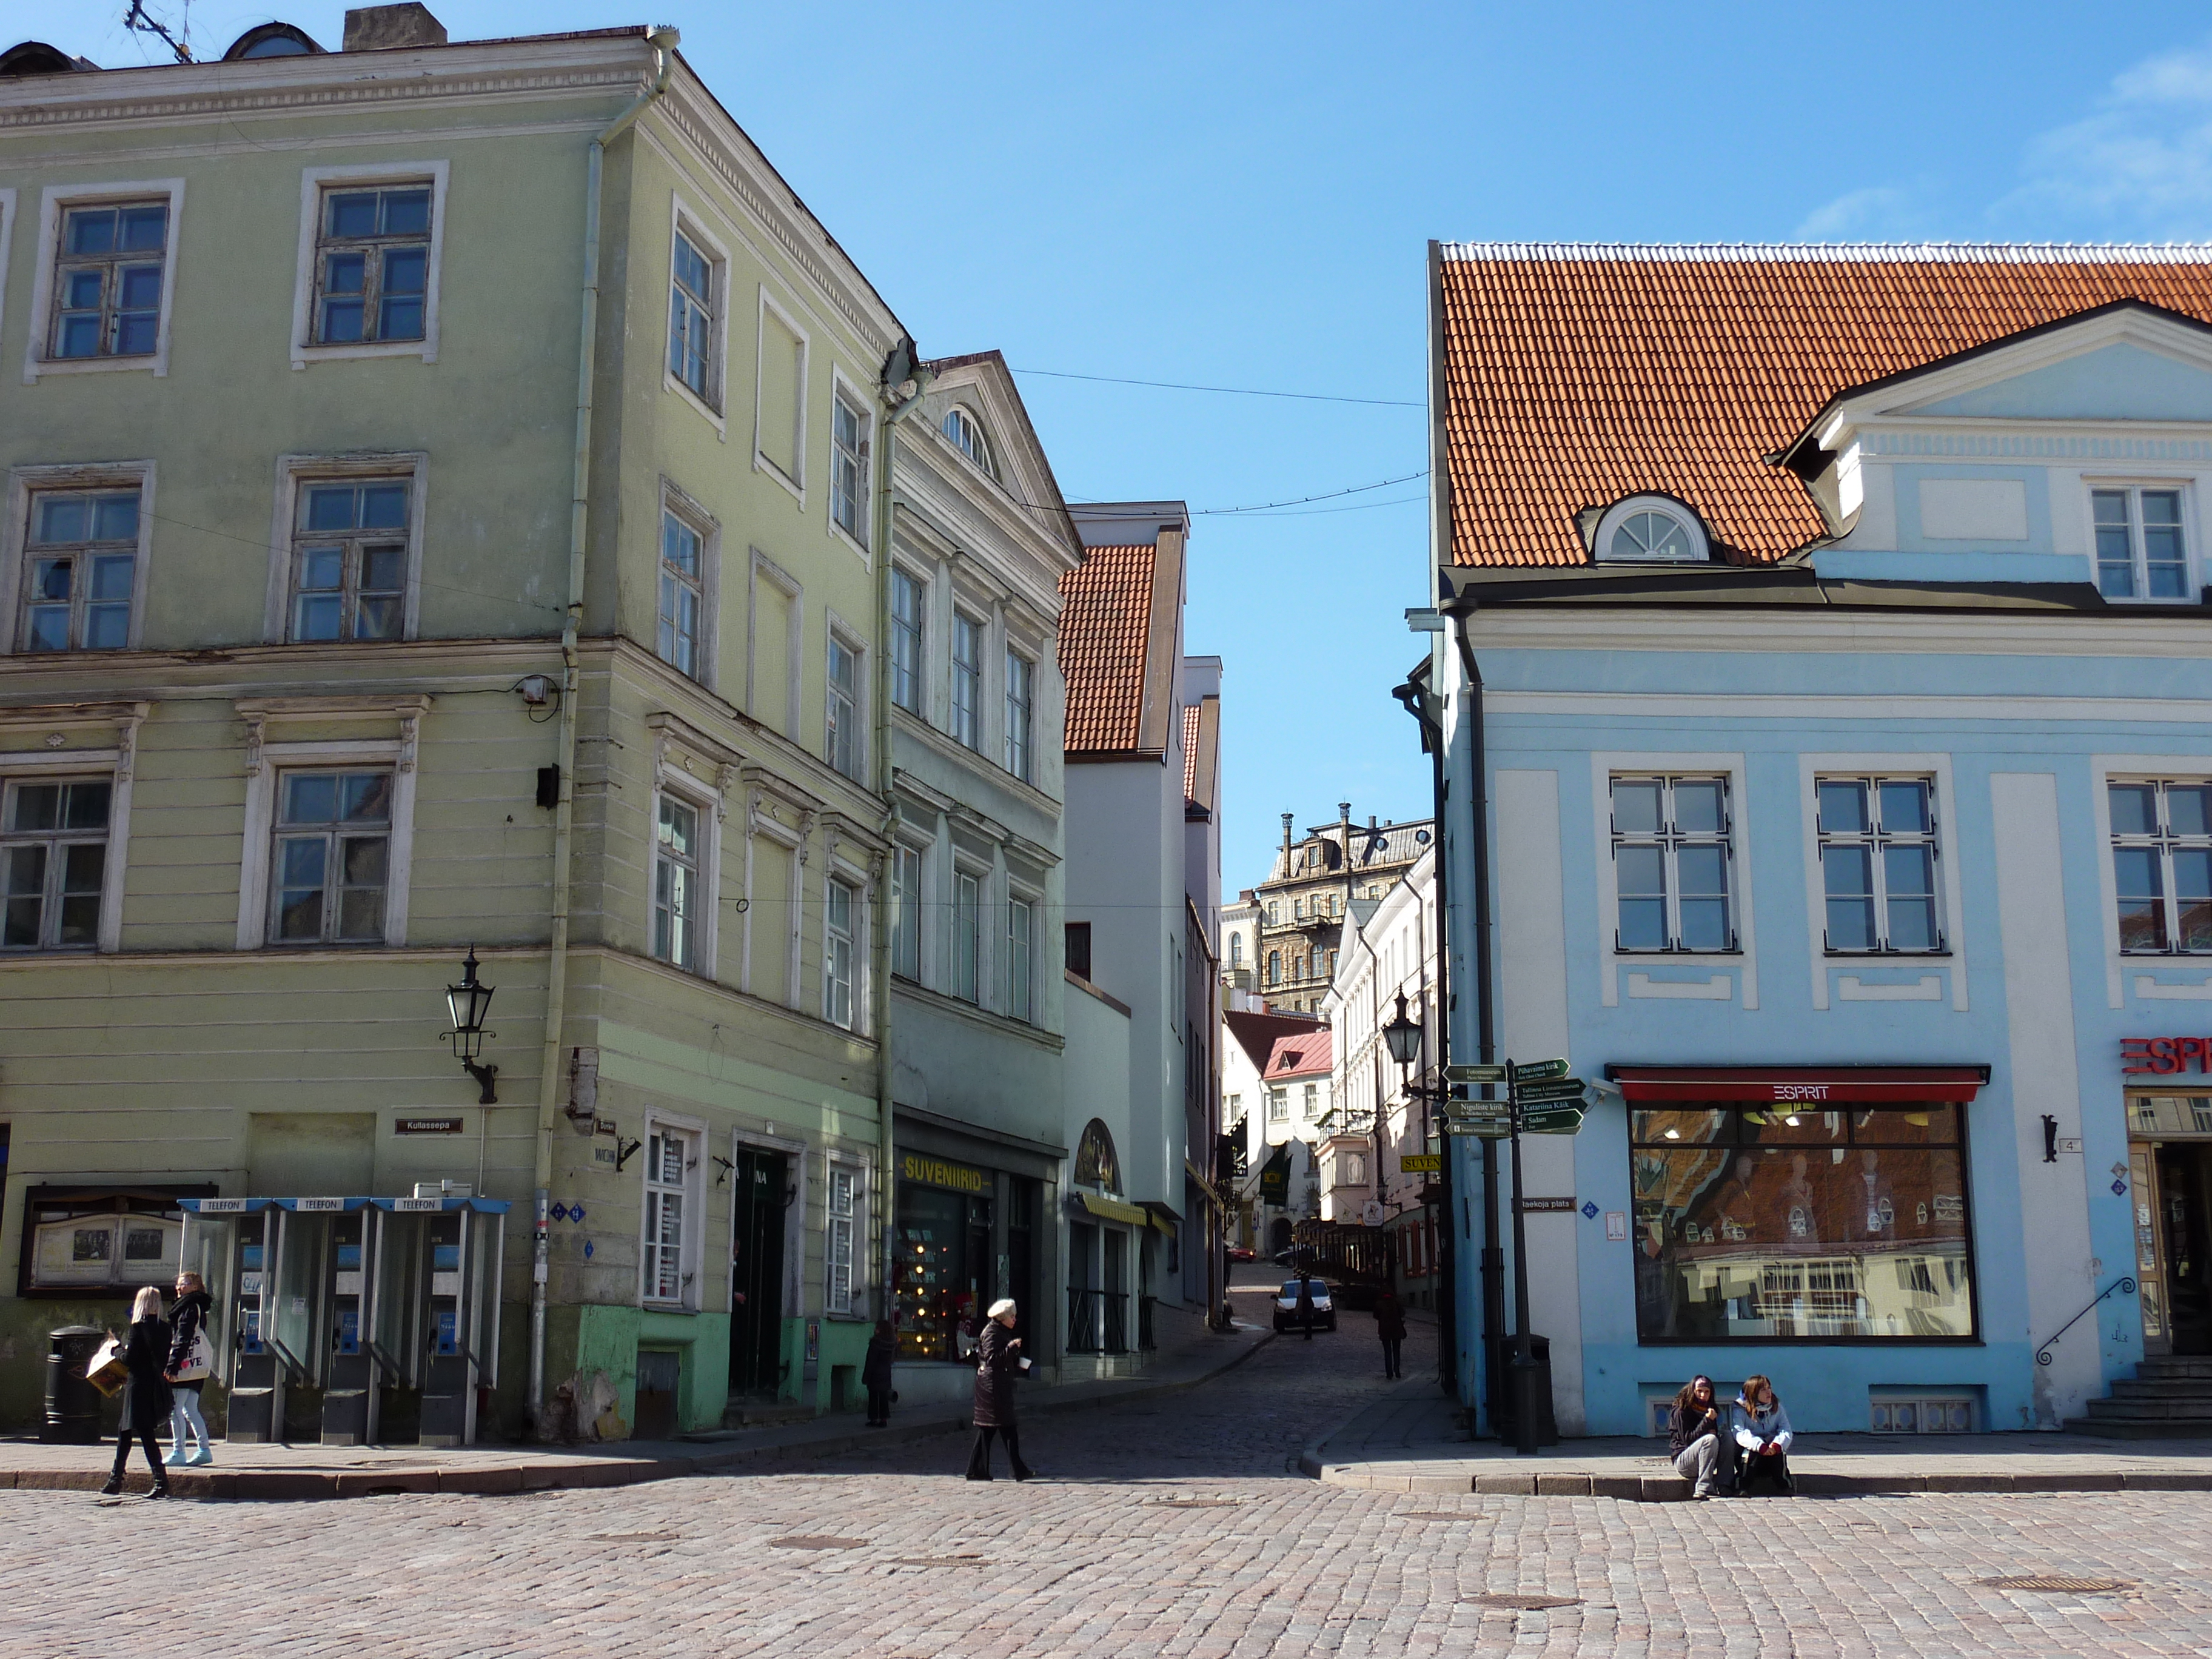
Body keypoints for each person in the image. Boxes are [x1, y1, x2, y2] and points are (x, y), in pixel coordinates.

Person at [101, 1285, 174, 1498]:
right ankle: (115, 1478)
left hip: (138, 1385)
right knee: (125, 1431)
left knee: (145, 1433)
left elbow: (130, 1359)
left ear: (139, 1304)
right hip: (155, 1384)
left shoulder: (138, 1328)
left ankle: (161, 1481)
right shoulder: (165, 1328)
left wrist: (115, 1350)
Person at [965, 1298, 1036, 1481]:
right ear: (1003, 1317)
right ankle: (1014, 1470)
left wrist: (1017, 1361)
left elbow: (1000, 1358)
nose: (1014, 1319)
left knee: (991, 1430)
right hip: (992, 1390)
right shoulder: (992, 1333)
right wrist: (1011, 1349)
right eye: (1012, 1316)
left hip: (997, 1387)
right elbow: (992, 1359)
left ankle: (979, 1470)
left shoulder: (1000, 1332)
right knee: (1003, 1429)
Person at [163, 1270, 215, 1467]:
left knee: (175, 1409)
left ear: (195, 1285)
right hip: (196, 1366)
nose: (179, 1287)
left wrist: (172, 1366)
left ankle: (179, 1452)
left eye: (183, 1283)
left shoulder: (188, 1308)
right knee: (190, 1409)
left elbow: (183, 1339)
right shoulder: (199, 1306)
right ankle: (204, 1449)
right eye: (178, 1284)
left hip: (185, 1366)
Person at [1732, 1373, 1795, 1495]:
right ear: (1753, 1393)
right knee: (1748, 1453)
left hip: (1770, 1453)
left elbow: (1785, 1430)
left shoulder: (1777, 1407)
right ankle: (1742, 1487)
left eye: (1769, 1388)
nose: (1768, 1392)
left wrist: (1776, 1445)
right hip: (1752, 1455)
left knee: (1780, 1453)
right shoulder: (1740, 1409)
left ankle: (1785, 1486)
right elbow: (1740, 1433)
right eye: (1763, 1390)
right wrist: (1759, 1446)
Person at [1668, 1373, 1726, 1499]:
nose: (1703, 1396)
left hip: (1706, 1456)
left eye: (1707, 1392)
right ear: (1693, 1391)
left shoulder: (1710, 1409)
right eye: (1699, 1391)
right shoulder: (1681, 1410)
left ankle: (1725, 1485)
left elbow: (1713, 1433)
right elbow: (1689, 1440)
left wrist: (1710, 1424)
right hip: (1684, 1461)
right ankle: (1703, 1488)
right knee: (1710, 1440)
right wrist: (1707, 1421)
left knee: (1727, 1437)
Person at [862, 1318, 897, 1428]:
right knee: (883, 1397)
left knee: (873, 1397)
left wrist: (866, 1377)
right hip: (885, 1373)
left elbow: (870, 1361)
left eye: (877, 1328)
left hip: (875, 1374)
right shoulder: (890, 1344)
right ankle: (884, 1419)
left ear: (880, 1330)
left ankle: (873, 1419)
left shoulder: (876, 1343)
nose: (875, 1330)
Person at [1373, 1288, 1407, 1379]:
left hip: (1385, 1331)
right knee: (1397, 1351)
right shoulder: (1396, 1302)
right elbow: (1403, 1313)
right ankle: (1397, 1370)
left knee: (1387, 1352)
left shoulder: (1379, 1304)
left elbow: (1375, 1316)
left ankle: (1389, 1373)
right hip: (1397, 1330)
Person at [1295, 1276, 1316, 1341]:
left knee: (1308, 1322)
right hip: (1308, 1306)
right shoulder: (1307, 1287)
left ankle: (1308, 1335)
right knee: (1308, 1322)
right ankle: (1308, 1335)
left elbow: (1307, 1297)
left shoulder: (1306, 1287)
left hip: (1307, 1306)